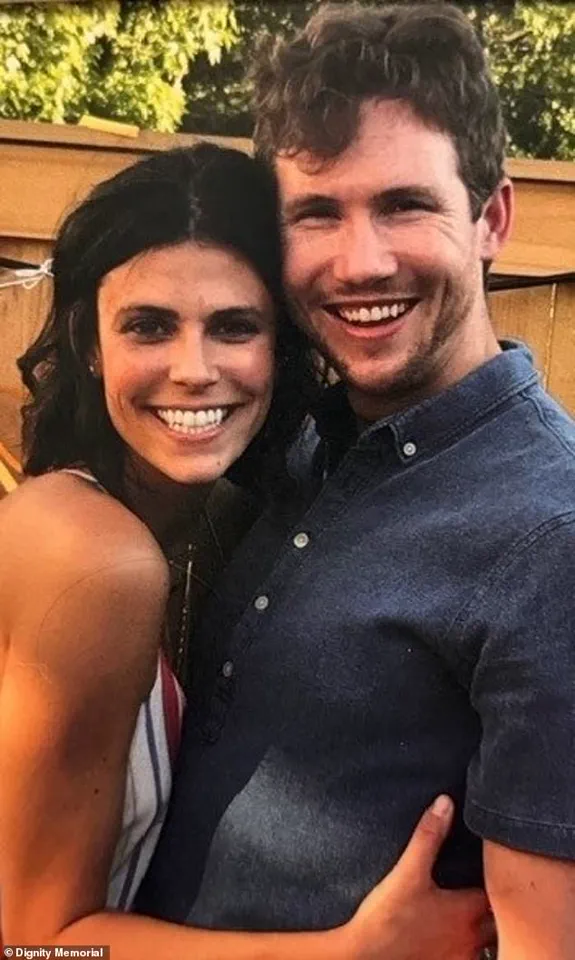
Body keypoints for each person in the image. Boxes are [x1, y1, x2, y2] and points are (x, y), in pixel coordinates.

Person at [135, 3, 575, 956]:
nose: (360, 262)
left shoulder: (552, 535)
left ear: (491, 218)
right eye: (317, 214)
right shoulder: (294, 447)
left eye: (404, 205)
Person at [0, 142, 491, 959]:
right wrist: (351, 953)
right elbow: (36, 945)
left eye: (234, 327)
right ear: (90, 343)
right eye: (149, 326)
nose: (194, 370)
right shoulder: (97, 558)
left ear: (282, 347)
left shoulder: (211, 525)